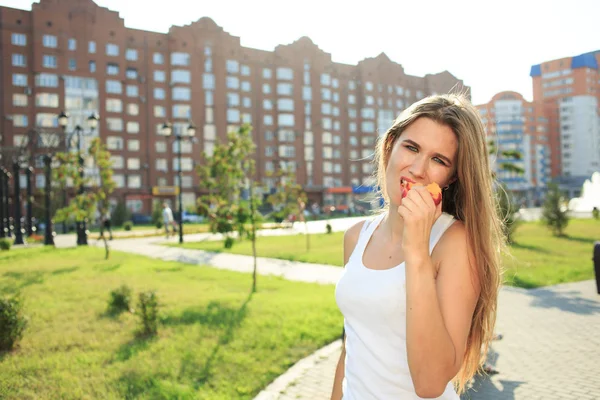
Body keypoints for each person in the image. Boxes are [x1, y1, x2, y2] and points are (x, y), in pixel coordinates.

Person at [332, 93, 505, 399]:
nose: (417, 169)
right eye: (411, 147)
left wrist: (417, 251)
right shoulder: (356, 236)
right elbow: (351, 346)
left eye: (438, 160)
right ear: (390, 146)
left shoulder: (456, 244)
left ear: (451, 178)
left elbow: (429, 384)